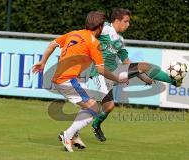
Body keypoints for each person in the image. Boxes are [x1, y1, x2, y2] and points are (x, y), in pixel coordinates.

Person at [32, 10, 128, 152]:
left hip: (66, 79)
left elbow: (52, 45)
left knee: (87, 106)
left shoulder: (74, 33)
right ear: (100, 27)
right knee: (94, 108)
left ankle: (74, 134)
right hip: (67, 80)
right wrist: (117, 79)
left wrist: (42, 62)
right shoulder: (94, 43)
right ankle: (68, 135)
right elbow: (101, 70)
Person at [88, 8, 185, 142]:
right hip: (100, 73)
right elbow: (89, 34)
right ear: (116, 21)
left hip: (114, 71)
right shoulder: (104, 28)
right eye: (126, 21)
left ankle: (172, 81)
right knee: (109, 107)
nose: (128, 24)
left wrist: (144, 77)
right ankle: (95, 124)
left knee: (144, 66)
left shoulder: (119, 41)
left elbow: (127, 62)